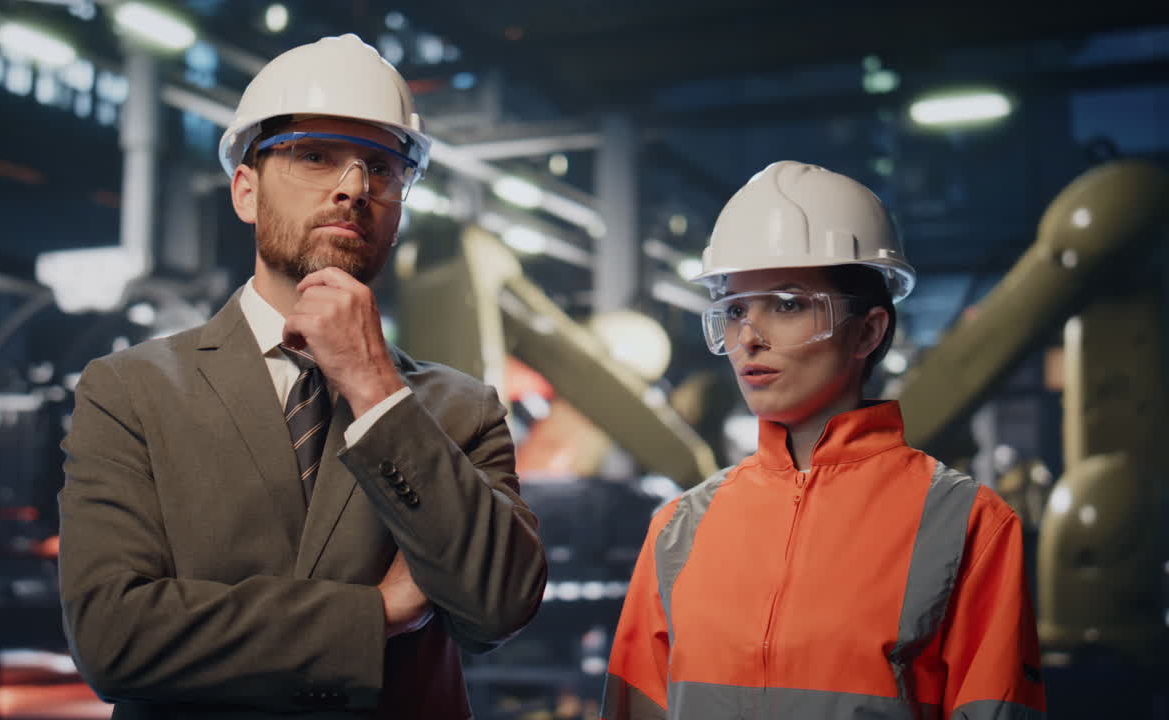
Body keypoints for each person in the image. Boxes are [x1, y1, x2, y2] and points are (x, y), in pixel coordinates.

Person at [58, 34, 547, 719]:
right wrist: (375, 615)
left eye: (382, 167)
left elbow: (499, 605)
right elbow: (114, 635)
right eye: (316, 156)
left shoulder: (460, 409)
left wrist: (376, 389)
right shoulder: (131, 392)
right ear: (245, 191)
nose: (354, 187)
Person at [602, 161, 1046, 719]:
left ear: (868, 331)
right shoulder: (678, 531)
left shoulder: (967, 525)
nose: (749, 337)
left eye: (787, 304)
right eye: (735, 308)